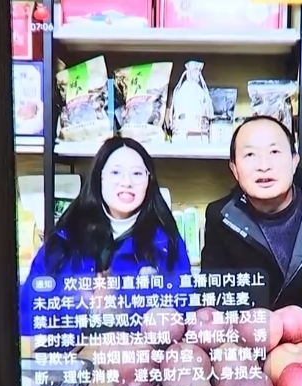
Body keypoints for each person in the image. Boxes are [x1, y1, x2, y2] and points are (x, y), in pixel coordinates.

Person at [201, 116, 302, 356]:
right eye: (250, 154)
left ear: (294, 161)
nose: (264, 165)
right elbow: (216, 301)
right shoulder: (221, 218)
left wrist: (295, 333)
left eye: (274, 152)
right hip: (250, 357)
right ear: (234, 169)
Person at [19, 136, 193, 349]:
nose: (126, 182)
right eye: (115, 172)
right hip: (67, 364)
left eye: (137, 173)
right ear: (98, 177)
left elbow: (182, 314)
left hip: (138, 363)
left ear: (149, 181)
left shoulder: (166, 244)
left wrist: (121, 306)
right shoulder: (64, 240)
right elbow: (31, 311)